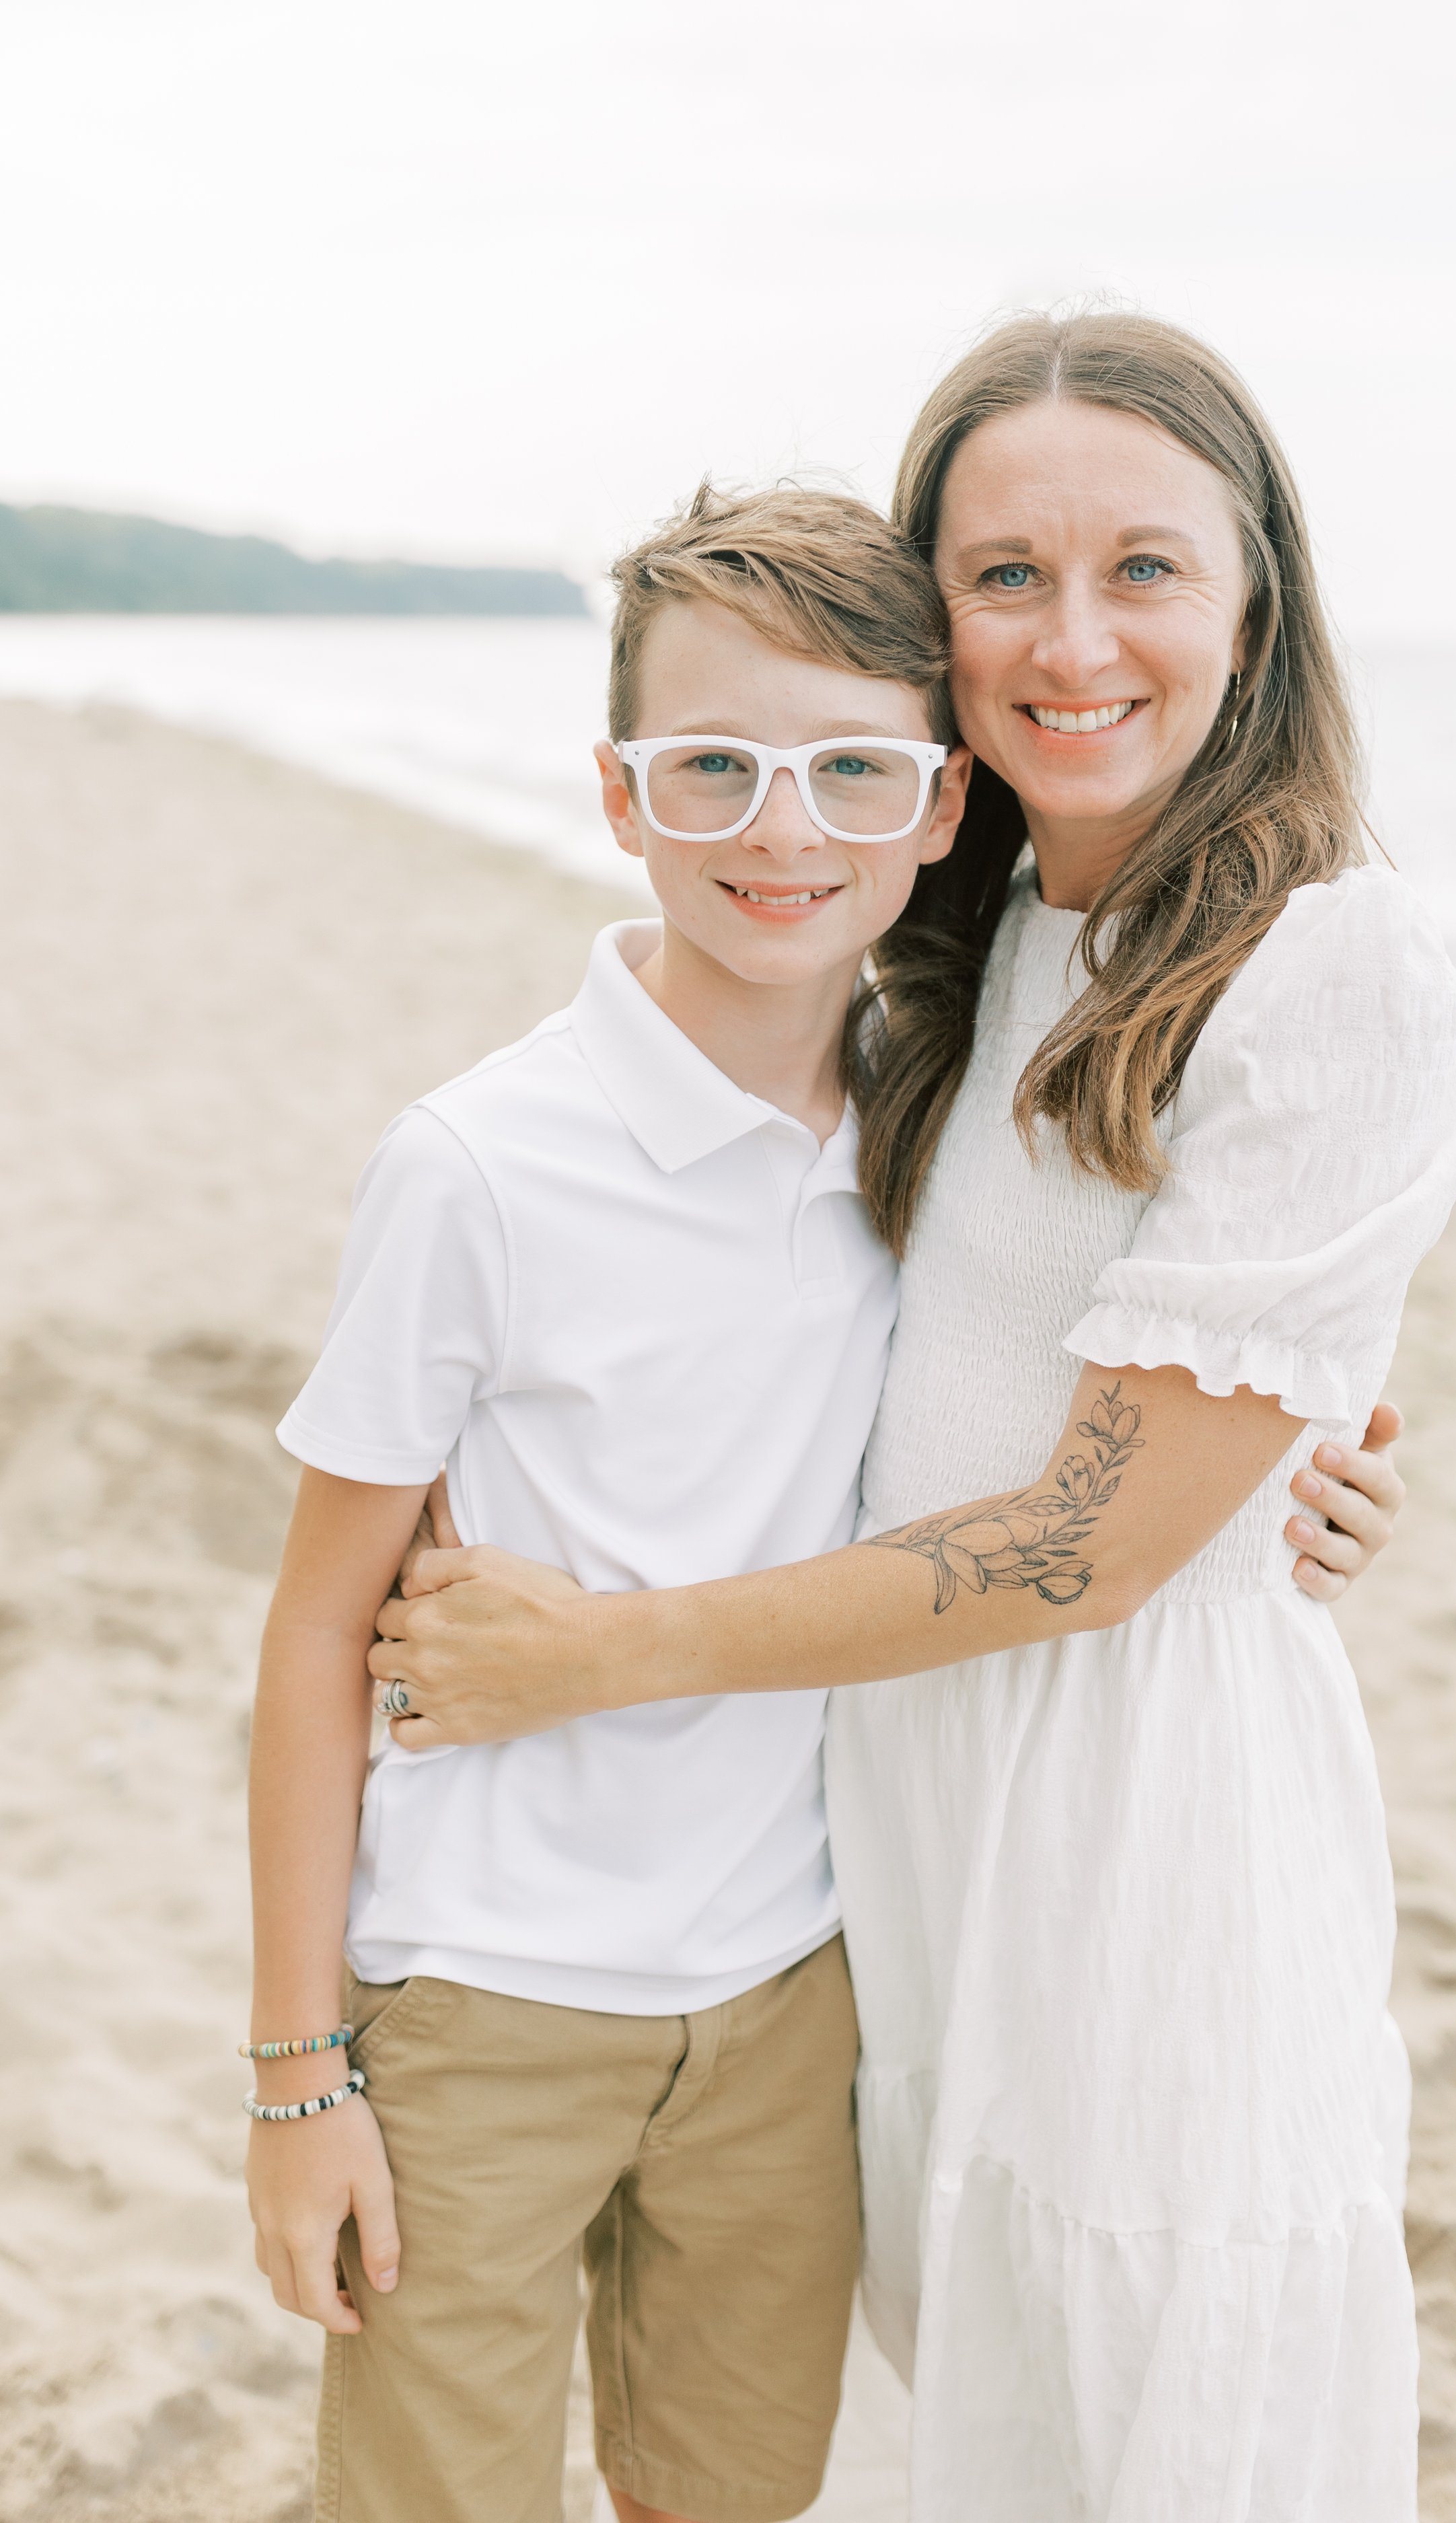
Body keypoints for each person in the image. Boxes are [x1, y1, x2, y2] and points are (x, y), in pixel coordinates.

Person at [369, 312, 1456, 2522]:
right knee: (961, 2385)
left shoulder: (1328, 965)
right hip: (899, 1792)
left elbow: (1090, 1541)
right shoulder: (981, 949)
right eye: (1003, 577)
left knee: (1140, 2388)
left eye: (1145, 569)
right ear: (933, 627)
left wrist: (607, 1648)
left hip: (1134, 1804)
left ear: (1255, 600)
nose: (1074, 640)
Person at [244, 486, 978, 2523]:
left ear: (937, 808)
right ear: (617, 795)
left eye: (853, 769)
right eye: (711, 767)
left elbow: (1110, 1414)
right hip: (479, 1997)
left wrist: (1318, 1479)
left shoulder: (947, 1132)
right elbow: (317, 1629)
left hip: (792, 1997)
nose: (781, 827)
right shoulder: (478, 1165)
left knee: (725, 2499)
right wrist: (297, 2081)